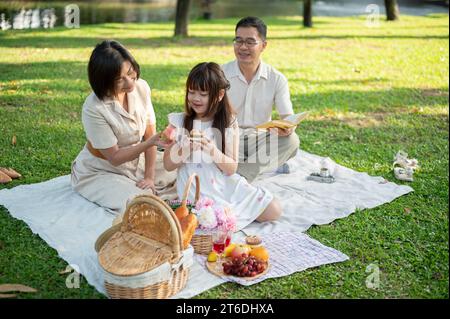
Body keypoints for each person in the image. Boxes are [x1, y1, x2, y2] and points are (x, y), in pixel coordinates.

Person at [163, 62, 282, 229]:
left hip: (222, 182)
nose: (195, 98)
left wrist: (213, 151)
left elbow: (231, 168)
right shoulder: (178, 121)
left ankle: (232, 212)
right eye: (191, 92)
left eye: (203, 94)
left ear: (219, 95)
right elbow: (168, 165)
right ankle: (224, 215)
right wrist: (186, 149)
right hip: (194, 189)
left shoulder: (228, 122)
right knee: (205, 219)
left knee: (274, 210)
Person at [71, 40, 176, 215]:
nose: (130, 83)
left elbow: (149, 134)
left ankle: (151, 186)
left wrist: (149, 177)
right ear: (104, 81)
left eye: (130, 72)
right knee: (141, 205)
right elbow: (115, 158)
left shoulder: (141, 87)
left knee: (185, 170)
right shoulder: (94, 108)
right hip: (102, 170)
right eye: (120, 79)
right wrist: (149, 143)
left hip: (138, 161)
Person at [222, 16, 300, 183]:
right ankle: (255, 167)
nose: (243, 47)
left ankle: (240, 176)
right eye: (238, 40)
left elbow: (288, 117)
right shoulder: (220, 74)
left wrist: (288, 128)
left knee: (291, 141)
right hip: (225, 138)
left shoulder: (277, 79)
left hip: (258, 141)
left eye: (250, 42)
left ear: (263, 45)